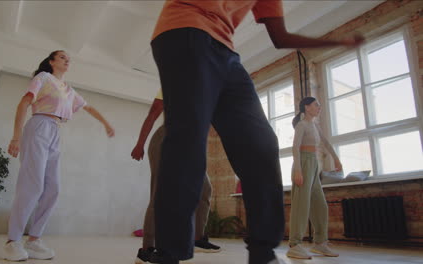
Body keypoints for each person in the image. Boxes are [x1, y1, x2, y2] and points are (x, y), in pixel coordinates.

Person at [148, 1, 364, 264]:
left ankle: (263, 252)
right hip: (183, 30)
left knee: (261, 144)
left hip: (226, 52)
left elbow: (280, 37)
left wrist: (336, 43)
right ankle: (169, 253)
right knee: (188, 140)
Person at [3, 50, 115, 261]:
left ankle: (34, 240)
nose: (67, 60)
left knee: (53, 188)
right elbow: (24, 103)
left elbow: (88, 107)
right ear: (51, 61)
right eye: (63, 57)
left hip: (55, 131)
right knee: (32, 185)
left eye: (68, 59)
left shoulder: (68, 90)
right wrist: (15, 138)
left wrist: (106, 123)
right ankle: (12, 241)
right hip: (38, 126)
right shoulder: (43, 78)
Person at [132, 90, 220, 264]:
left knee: (204, 189)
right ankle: (147, 249)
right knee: (160, 195)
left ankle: (197, 238)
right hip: (167, 138)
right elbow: (153, 114)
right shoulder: (174, 80)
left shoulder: (205, 87)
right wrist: (140, 144)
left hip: (190, 144)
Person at [287, 97, 342, 259]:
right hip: (303, 164)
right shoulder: (301, 125)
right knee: (301, 205)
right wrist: (298, 171)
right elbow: (295, 148)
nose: (319, 107)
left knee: (320, 205)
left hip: (313, 164)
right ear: (307, 107)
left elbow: (326, 143)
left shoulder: (315, 126)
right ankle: (294, 244)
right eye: (316, 104)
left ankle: (320, 243)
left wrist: (336, 158)